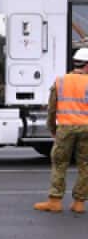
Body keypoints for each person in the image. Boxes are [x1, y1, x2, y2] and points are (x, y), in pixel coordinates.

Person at [35, 48, 88, 214]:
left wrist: (52, 128)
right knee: (85, 165)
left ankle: (55, 202)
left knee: (59, 164)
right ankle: (79, 203)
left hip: (65, 128)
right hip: (87, 129)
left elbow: (52, 109)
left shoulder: (60, 81)